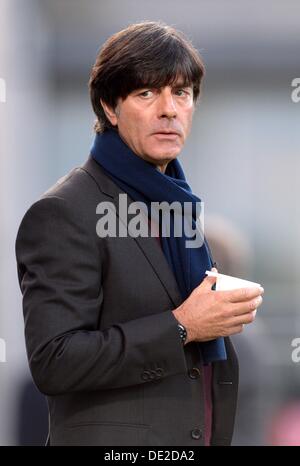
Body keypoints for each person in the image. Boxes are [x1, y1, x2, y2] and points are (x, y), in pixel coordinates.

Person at [15, 21, 264, 446]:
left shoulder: (177, 205)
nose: (168, 109)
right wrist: (183, 326)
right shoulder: (62, 211)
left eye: (181, 93)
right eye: (147, 93)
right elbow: (54, 361)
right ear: (110, 108)